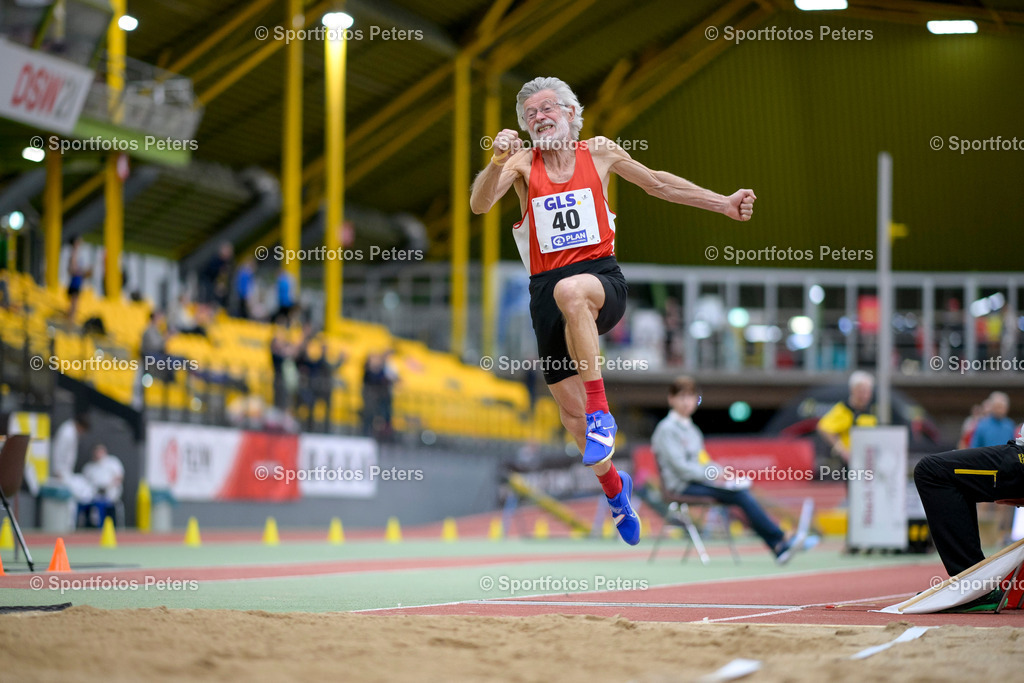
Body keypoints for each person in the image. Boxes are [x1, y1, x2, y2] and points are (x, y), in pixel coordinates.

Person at [469, 76, 756, 545]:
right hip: (545, 294)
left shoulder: (599, 152)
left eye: (548, 109)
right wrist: (497, 160)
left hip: (602, 280)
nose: (540, 117)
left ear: (570, 113)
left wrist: (722, 203)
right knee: (571, 419)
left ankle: (604, 413)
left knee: (573, 292)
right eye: (531, 114)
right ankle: (615, 492)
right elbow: (480, 205)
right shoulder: (521, 163)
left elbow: (659, 184)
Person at [652, 376, 814, 564]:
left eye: (691, 396)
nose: (687, 402)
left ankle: (779, 544)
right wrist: (712, 475)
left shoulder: (693, 430)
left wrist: (721, 473)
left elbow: (704, 461)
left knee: (739, 491)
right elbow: (681, 468)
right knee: (739, 494)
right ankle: (780, 540)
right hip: (680, 486)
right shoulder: (666, 429)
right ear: (671, 399)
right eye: (682, 396)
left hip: (698, 482)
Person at [915, 423, 1024, 579]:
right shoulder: (983, 425)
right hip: (1015, 452)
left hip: (1018, 460)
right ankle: (975, 580)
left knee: (931, 471)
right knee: (955, 477)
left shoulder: (1004, 425)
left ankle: (973, 582)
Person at [816, 371, 877, 464]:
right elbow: (824, 428)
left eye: (867, 391)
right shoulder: (843, 410)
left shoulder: (871, 412)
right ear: (853, 390)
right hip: (848, 463)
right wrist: (841, 450)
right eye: (861, 391)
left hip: (867, 460)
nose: (865, 395)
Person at [79, 443, 125, 527]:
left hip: (110, 492)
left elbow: (119, 477)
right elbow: (85, 483)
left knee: (103, 504)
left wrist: (108, 486)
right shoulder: (89, 467)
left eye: (100, 451)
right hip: (94, 494)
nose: (98, 454)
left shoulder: (112, 462)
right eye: (96, 452)